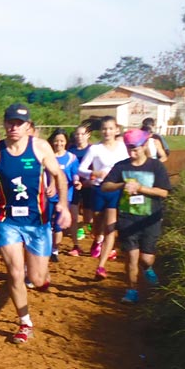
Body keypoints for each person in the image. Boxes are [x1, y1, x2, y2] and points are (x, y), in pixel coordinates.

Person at [0, 104, 71, 344]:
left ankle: (41, 272)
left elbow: (59, 175)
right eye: (10, 122)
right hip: (8, 221)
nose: (14, 127)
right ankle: (24, 322)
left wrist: (64, 206)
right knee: (15, 273)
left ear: (28, 126)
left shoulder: (39, 148)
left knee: (37, 280)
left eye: (19, 123)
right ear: (5, 123)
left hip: (38, 221)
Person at [101, 129, 170, 304]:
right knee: (131, 257)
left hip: (150, 218)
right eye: (128, 148)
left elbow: (163, 193)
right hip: (127, 217)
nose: (132, 152)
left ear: (145, 145)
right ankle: (131, 290)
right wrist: (121, 185)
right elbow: (105, 186)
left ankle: (148, 268)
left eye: (135, 148)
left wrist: (140, 188)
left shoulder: (156, 166)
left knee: (146, 258)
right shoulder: (122, 166)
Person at [78, 116, 129, 279]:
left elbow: (129, 164)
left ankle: (101, 266)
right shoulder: (95, 149)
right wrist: (94, 173)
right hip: (99, 189)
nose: (107, 132)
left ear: (116, 130)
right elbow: (81, 169)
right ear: (101, 131)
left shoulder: (122, 147)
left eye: (110, 128)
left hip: (116, 189)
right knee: (98, 223)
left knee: (110, 228)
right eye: (104, 129)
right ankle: (97, 240)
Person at [47, 128, 81, 260]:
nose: (59, 144)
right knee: (46, 222)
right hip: (48, 195)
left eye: (61, 141)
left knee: (58, 224)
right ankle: (46, 247)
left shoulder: (71, 158)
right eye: (56, 141)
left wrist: (77, 182)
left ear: (66, 142)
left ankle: (55, 250)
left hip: (65, 196)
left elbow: (75, 174)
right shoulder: (47, 156)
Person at [68, 125, 93, 254]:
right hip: (74, 185)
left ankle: (87, 227)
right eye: (77, 134)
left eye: (82, 134)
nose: (79, 137)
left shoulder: (92, 149)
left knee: (88, 215)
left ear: (88, 135)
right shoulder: (71, 151)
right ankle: (76, 244)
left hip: (89, 185)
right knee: (74, 213)